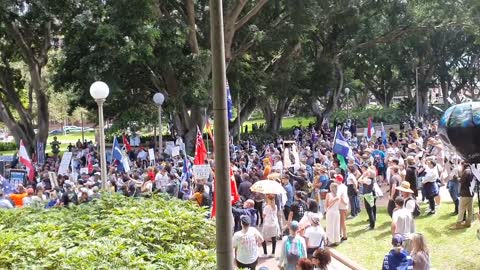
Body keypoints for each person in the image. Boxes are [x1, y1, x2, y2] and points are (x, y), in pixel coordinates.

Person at [456, 163, 475, 228]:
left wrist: (457, 178)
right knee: (470, 209)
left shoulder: (466, 171)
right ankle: (468, 223)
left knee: (461, 209)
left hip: (465, 193)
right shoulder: (473, 171)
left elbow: (461, 181)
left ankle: (458, 224)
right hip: (471, 193)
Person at [358, 164, 377, 230]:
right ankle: (372, 223)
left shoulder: (368, 180)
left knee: (369, 210)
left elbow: (359, 180)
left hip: (368, 196)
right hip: (369, 195)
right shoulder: (370, 179)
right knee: (371, 209)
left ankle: (372, 225)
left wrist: (363, 175)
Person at [335, 174, 349, 241]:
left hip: (342, 206)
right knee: (341, 221)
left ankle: (345, 235)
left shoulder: (340, 187)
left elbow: (338, 197)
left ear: (338, 180)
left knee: (342, 222)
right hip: (344, 206)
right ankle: (340, 234)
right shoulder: (344, 186)